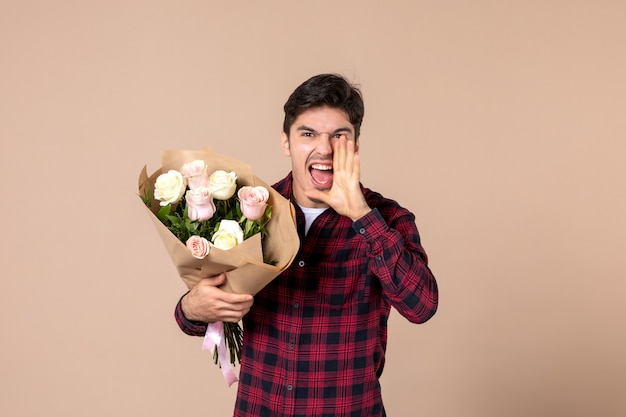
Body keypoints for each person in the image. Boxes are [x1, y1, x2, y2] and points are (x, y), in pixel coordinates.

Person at [175, 73, 439, 416]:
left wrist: (360, 213)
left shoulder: (387, 219)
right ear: (286, 142)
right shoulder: (246, 212)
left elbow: (422, 306)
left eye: (339, 136)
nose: (324, 148)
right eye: (308, 134)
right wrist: (192, 308)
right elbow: (199, 312)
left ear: (356, 145)